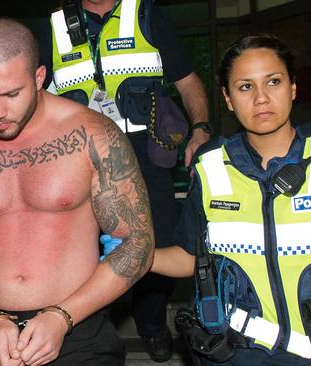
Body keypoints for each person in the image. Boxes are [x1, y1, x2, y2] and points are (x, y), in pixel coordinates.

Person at [0, 17, 154, 366]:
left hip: (78, 332)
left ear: (39, 77)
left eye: (11, 94)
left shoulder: (94, 136)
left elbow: (138, 243)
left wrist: (62, 316)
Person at [150, 34, 311, 365]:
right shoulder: (211, 169)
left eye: (274, 82)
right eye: (245, 87)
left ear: (293, 88)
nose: (261, 98)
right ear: (228, 98)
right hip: (236, 354)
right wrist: (135, 257)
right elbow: (190, 257)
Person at [37, 0, 211, 361]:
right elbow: (32, 96)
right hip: (79, 154)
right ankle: (95, 322)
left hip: (145, 149)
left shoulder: (147, 15)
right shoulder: (53, 27)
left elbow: (189, 82)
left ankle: (150, 322)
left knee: (158, 240)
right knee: (86, 245)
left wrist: (201, 129)